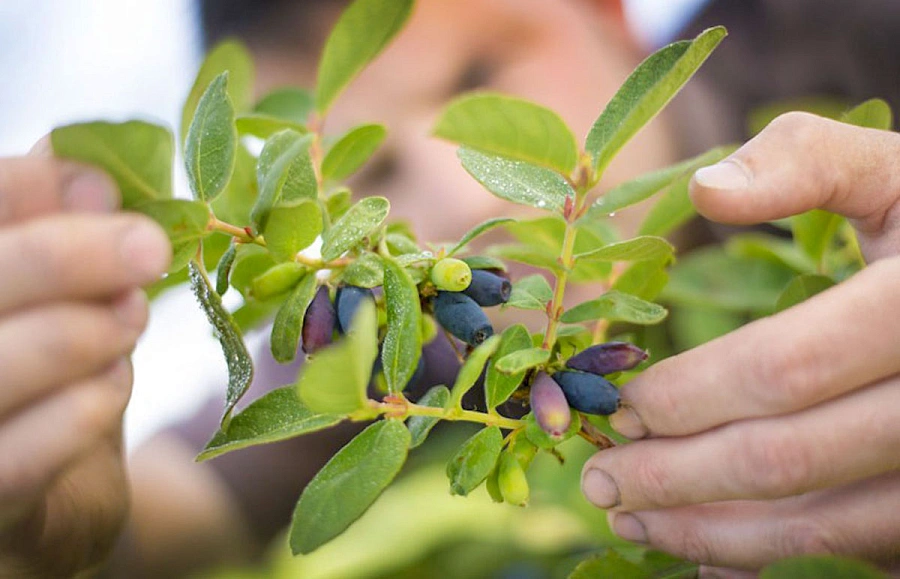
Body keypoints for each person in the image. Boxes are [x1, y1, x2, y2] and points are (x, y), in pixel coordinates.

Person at [0, 0, 898, 577]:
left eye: (479, 73)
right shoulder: (395, 338)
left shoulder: (850, 31)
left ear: (608, 16)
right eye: (378, 166)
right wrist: (47, 508)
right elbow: (164, 510)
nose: (466, 190)